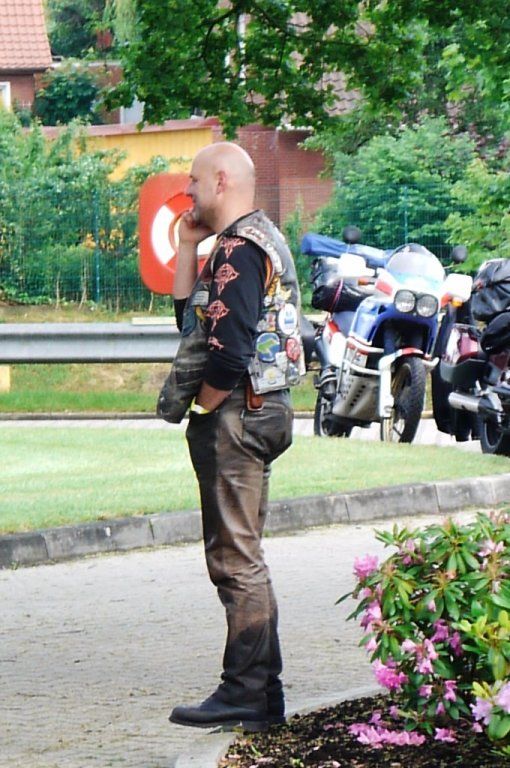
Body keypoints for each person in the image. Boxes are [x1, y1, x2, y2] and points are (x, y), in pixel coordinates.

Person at [166, 142, 304, 732]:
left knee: (234, 560)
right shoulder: (257, 238)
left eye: (195, 182)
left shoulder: (239, 249)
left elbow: (227, 351)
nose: (188, 192)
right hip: (263, 410)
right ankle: (262, 694)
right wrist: (186, 247)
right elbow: (194, 322)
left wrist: (205, 405)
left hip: (239, 414)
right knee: (245, 555)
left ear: (221, 181)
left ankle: (244, 691)